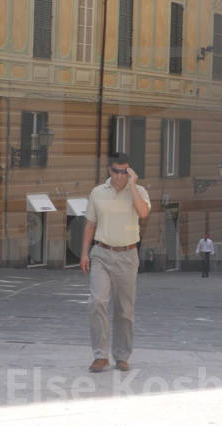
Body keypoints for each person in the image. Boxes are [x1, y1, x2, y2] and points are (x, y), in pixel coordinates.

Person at [80, 152, 151, 373]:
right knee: (97, 302)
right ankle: (100, 356)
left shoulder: (138, 192)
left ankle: (122, 356)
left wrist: (132, 186)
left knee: (124, 309)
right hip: (101, 252)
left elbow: (144, 213)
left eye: (125, 172)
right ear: (109, 170)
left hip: (128, 255)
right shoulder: (97, 193)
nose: (120, 176)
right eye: (117, 171)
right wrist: (84, 254)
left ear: (129, 172)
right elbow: (90, 225)